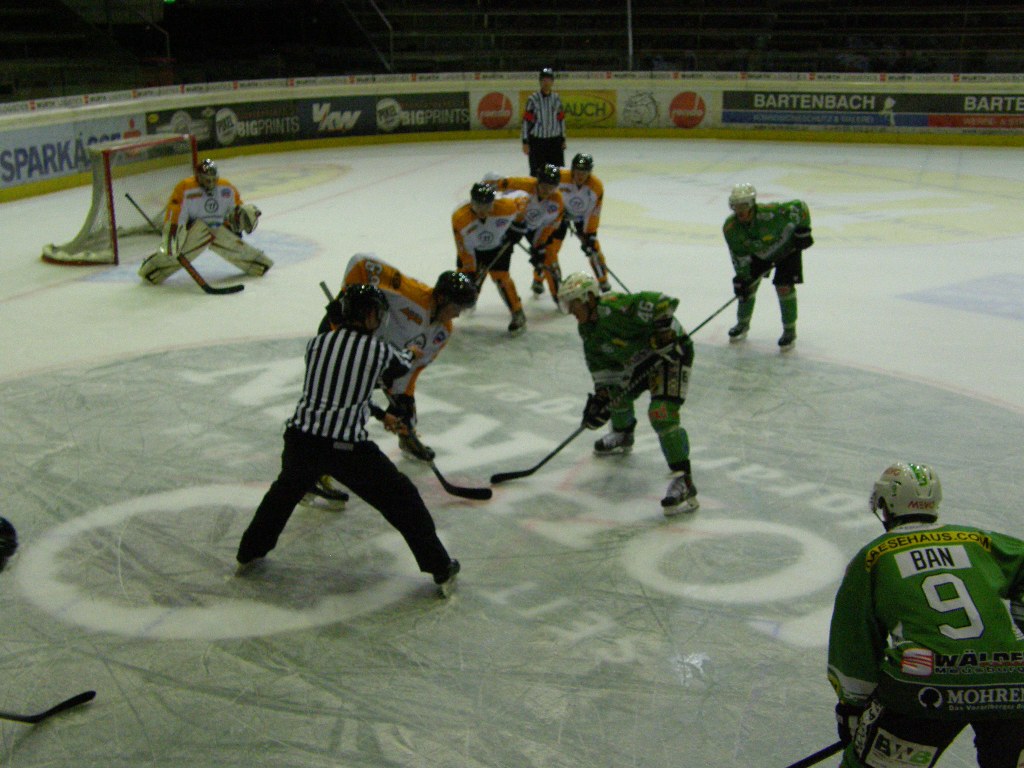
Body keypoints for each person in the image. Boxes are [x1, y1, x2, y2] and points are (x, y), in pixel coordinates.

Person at [235, 284, 461, 598]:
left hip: (300, 441)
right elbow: (401, 364)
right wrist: (412, 351)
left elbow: (340, 392)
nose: (379, 320)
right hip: (345, 450)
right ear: (368, 315)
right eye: (377, 314)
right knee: (403, 498)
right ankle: (440, 566)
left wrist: (380, 415)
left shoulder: (317, 344)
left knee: (282, 496)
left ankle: (249, 552)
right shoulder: (378, 350)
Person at [827, 462, 1024, 768]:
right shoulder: (976, 541)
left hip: (923, 687)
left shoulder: (873, 557)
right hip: (1012, 681)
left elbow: (853, 643)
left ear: (884, 504)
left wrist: (853, 708)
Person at [558, 271, 698, 513]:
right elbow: (601, 367)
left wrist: (663, 332)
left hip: (670, 356)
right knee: (614, 393)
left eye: (573, 304)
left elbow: (662, 302)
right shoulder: (587, 329)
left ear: (589, 298)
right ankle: (623, 432)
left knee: (661, 413)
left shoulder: (615, 307)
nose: (570, 311)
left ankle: (683, 479)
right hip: (638, 361)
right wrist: (601, 399)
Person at [323, 254, 478, 462]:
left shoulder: (443, 332)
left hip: (376, 355)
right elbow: (361, 263)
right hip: (341, 338)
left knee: (405, 408)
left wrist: (401, 396)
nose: (458, 315)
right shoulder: (411, 294)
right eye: (457, 308)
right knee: (341, 404)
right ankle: (317, 460)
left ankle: (407, 438)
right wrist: (345, 304)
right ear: (442, 299)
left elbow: (413, 367)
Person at [138, 158, 273, 285]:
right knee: (179, 250)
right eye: (207, 180)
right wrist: (173, 233)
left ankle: (256, 264)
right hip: (192, 230)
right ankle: (153, 269)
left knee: (226, 237)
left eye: (213, 179)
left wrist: (238, 223)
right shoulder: (186, 187)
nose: (210, 183)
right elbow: (175, 211)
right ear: (198, 177)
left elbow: (235, 209)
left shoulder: (226, 188)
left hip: (216, 227)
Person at [722, 183, 812, 351]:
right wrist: (743, 278)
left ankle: (789, 330)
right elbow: (739, 256)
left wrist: (804, 230)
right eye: (735, 206)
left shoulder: (771, 214)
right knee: (748, 286)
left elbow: (800, 207)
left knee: (784, 287)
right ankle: (742, 323)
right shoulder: (731, 228)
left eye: (743, 205)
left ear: (752, 204)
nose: (740, 211)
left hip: (787, 249)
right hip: (759, 254)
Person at [452, 181, 529, 334]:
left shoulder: (506, 207)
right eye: (478, 205)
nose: (483, 210)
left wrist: (519, 226)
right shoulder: (460, 218)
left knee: (502, 279)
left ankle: (517, 312)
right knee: (465, 280)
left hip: (499, 247)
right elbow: (464, 248)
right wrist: (470, 270)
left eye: (487, 205)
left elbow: (523, 197)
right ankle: (461, 305)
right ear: (471, 202)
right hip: (474, 251)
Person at [491, 164, 566, 302]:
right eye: (544, 185)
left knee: (548, 256)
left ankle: (558, 296)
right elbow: (494, 185)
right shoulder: (522, 184)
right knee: (494, 259)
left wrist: (540, 245)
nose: (547, 190)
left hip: (534, 228)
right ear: (538, 181)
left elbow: (548, 226)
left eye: (551, 187)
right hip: (509, 225)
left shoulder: (557, 201)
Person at [556, 152, 613, 293]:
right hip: (559, 216)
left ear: (590, 172)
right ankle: (539, 279)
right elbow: (544, 188)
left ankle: (603, 280)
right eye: (577, 171)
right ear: (572, 170)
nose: (580, 175)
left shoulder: (596, 186)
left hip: (583, 218)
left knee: (594, 249)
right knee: (549, 248)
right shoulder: (560, 177)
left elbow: (594, 212)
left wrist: (590, 236)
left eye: (584, 172)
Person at [521, 67, 566, 176]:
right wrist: (525, 142)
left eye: (548, 80)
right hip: (538, 142)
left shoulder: (556, 99)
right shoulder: (533, 99)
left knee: (556, 173)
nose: (546, 82)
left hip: (554, 142)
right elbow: (526, 121)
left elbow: (561, 119)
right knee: (537, 173)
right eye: (544, 80)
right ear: (540, 82)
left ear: (552, 82)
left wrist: (563, 139)